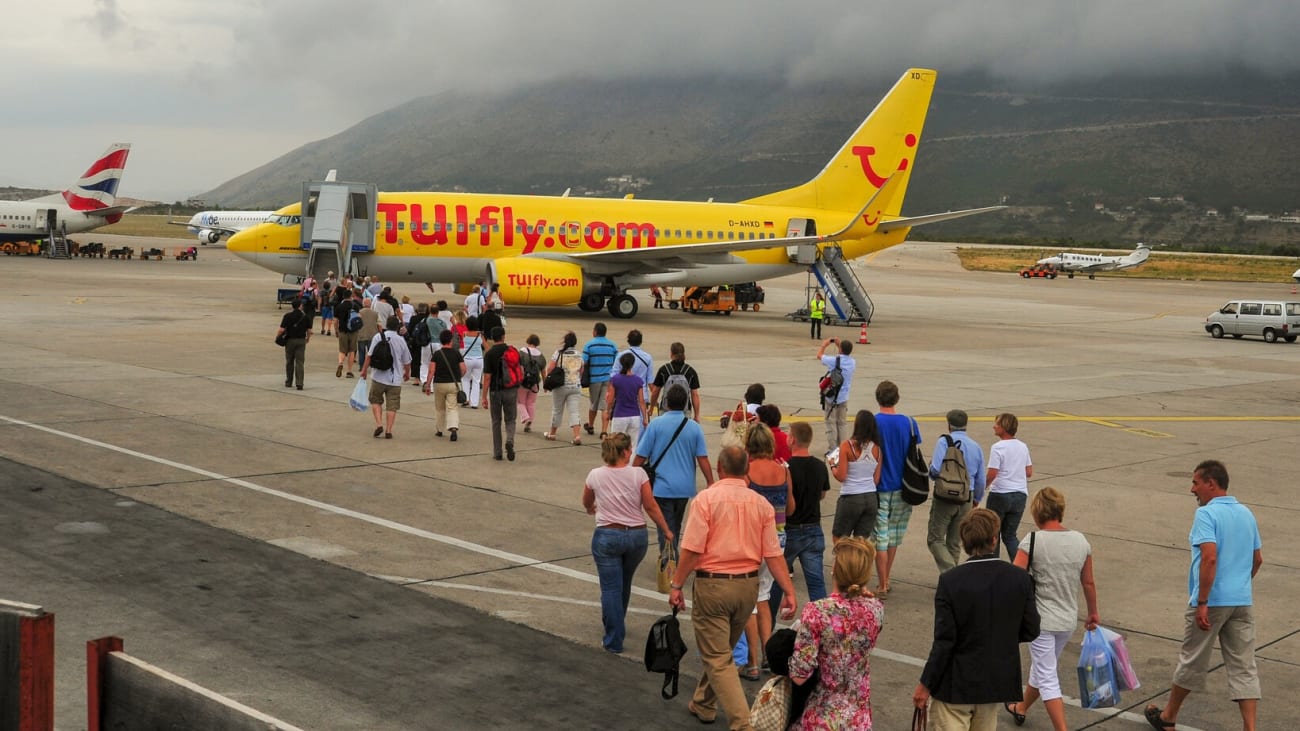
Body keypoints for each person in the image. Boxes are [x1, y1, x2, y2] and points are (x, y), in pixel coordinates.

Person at [668, 446, 798, 730]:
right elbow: (773, 553)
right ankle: (704, 702)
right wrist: (788, 590)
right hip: (748, 587)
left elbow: (691, 549)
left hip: (713, 584)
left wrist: (676, 584)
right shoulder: (761, 505)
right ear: (746, 471)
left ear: (719, 467)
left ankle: (742, 723)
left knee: (717, 657)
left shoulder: (706, 500)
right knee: (722, 651)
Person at [1145, 460, 1262, 731]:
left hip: (1213, 602)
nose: (1192, 489)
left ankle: (1169, 717)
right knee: (1244, 665)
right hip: (1241, 601)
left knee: (1193, 659)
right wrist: (1239, 585)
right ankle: (1250, 727)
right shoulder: (1246, 513)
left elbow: (1209, 558)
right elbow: (1257, 559)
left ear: (1211, 483)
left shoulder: (1207, 515)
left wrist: (1203, 602)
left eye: (1196, 482)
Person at [913, 509, 1040, 731]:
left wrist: (925, 684)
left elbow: (944, 642)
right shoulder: (1019, 579)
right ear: (994, 539)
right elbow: (1031, 629)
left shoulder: (950, 582)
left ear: (965, 541)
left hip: (955, 685)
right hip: (992, 684)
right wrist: (1001, 634)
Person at [1006, 488, 1100, 731]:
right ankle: (1021, 707)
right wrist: (1092, 612)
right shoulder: (1081, 540)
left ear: (1037, 513)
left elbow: (1015, 580)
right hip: (1067, 620)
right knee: (1043, 667)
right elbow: (1088, 582)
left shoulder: (1033, 540)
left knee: (1047, 676)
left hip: (1041, 621)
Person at [582, 432, 674, 654]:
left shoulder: (595, 475)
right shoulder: (638, 474)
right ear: (625, 452)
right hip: (636, 536)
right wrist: (666, 530)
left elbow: (587, 500)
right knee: (624, 582)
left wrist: (590, 508)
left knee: (610, 587)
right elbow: (650, 506)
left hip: (608, 534)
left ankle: (614, 636)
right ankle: (616, 621)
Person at [789, 536, 884, 729]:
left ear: (834, 568)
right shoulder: (876, 609)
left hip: (822, 716)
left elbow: (800, 674)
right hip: (859, 718)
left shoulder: (817, 611)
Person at [740, 423, 794, 682]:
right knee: (763, 597)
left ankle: (751, 660)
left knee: (750, 600)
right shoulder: (784, 471)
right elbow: (790, 507)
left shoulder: (747, 473)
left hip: (753, 541)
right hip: (778, 539)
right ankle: (768, 656)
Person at [633, 385, 712, 556]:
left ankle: (669, 562)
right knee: (675, 524)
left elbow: (641, 455)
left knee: (665, 527)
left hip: (662, 487)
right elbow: (703, 458)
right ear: (685, 404)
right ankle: (672, 556)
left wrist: (630, 474)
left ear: (666, 403)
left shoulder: (655, 425)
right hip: (684, 488)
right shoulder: (694, 427)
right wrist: (710, 482)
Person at [871, 380, 918, 599]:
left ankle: (881, 584)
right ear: (896, 398)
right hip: (904, 487)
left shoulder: (872, 423)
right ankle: (887, 578)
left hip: (879, 486)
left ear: (878, 398)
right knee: (894, 535)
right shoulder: (909, 423)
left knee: (880, 536)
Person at [927, 409, 987, 572]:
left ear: (949, 425)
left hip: (945, 498)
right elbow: (981, 478)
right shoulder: (976, 447)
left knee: (935, 539)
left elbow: (935, 469)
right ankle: (951, 583)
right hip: (967, 497)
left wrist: (931, 472)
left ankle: (952, 573)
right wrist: (976, 498)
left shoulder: (944, 442)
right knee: (954, 543)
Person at [782, 422, 831, 603]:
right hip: (813, 528)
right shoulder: (819, 466)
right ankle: (822, 624)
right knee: (817, 583)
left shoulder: (786, 468)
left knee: (776, 580)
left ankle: (766, 625)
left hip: (790, 529)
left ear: (792, 440)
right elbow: (822, 494)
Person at [985, 412, 1033, 559]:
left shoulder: (998, 447)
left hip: (1000, 494)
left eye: (997, 424)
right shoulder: (1023, 446)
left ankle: (993, 567)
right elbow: (1029, 472)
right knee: (1010, 536)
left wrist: (983, 487)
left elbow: (993, 473)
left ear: (1004, 427)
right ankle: (1021, 567)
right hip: (1020, 495)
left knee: (993, 535)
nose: (994, 427)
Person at [831, 409, 881, 543]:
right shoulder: (877, 448)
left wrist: (832, 466)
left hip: (851, 496)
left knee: (840, 539)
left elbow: (841, 476)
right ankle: (859, 564)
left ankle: (843, 564)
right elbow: (876, 480)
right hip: (871, 498)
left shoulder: (847, 446)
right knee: (861, 543)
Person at [360, 316, 412, 439]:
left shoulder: (378, 337)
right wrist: (407, 373)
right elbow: (407, 361)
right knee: (392, 406)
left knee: (375, 400)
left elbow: (369, 355)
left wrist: (364, 371)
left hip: (378, 376)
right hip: (395, 379)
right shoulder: (401, 340)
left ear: (386, 325)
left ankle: (379, 424)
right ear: (397, 327)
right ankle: (389, 430)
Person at [481, 326, 519, 461]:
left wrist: (484, 396)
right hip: (511, 389)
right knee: (511, 419)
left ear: (492, 337)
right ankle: (510, 440)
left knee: (496, 421)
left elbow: (487, 377)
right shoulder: (512, 351)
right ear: (503, 336)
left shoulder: (489, 354)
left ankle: (497, 452)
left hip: (495, 391)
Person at [816, 338, 856, 454]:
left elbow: (819, 356)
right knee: (842, 423)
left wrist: (824, 345)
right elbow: (843, 356)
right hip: (844, 397)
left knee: (831, 423)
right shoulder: (852, 362)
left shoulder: (834, 361)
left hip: (832, 397)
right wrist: (840, 345)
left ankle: (833, 449)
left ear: (841, 349)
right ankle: (843, 447)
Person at [425, 329, 466, 441]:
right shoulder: (456, 353)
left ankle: (439, 429)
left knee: (440, 408)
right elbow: (463, 369)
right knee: (452, 407)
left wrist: (428, 385)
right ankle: (453, 428)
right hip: (453, 383)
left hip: (439, 383)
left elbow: (431, 371)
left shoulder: (437, 354)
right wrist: (458, 377)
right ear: (451, 341)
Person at [545, 331, 585, 445]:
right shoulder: (578, 354)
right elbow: (581, 370)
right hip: (575, 385)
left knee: (557, 410)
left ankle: (552, 433)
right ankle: (577, 436)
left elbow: (550, 368)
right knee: (574, 411)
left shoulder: (558, 353)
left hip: (561, 385)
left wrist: (548, 382)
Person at [603, 353, 647, 448]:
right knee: (633, 445)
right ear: (632, 364)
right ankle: (631, 462)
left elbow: (610, 399)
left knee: (616, 443)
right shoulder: (638, 380)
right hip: (635, 415)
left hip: (619, 415)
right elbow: (642, 401)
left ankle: (617, 462)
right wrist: (645, 418)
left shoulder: (615, 379)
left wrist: (608, 411)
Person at [581, 322, 618, 436]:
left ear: (595, 332)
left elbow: (583, 362)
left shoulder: (589, 345)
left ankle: (591, 426)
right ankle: (604, 431)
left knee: (594, 403)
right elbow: (617, 362)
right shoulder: (612, 345)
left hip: (594, 379)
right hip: (608, 379)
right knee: (605, 405)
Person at [649, 342, 701, 420]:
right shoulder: (690, 371)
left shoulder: (664, 370)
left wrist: (651, 408)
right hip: (684, 411)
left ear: (671, 354)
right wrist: (697, 415)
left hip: (666, 410)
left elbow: (655, 391)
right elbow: (695, 395)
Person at [277, 299, 311, 390]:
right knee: (300, 362)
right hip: (301, 341)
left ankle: (289, 381)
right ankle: (299, 383)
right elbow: (309, 330)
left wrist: (278, 337)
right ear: (300, 306)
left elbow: (281, 329)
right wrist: (308, 339)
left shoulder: (287, 316)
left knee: (289, 361)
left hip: (290, 340)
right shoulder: (305, 317)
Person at [616, 329, 654, 405]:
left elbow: (614, 376)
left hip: (624, 394)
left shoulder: (621, 356)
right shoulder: (648, 357)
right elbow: (650, 381)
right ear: (641, 341)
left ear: (628, 341)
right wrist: (654, 399)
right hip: (642, 396)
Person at [517, 334, 544, 433]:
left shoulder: (522, 352)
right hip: (535, 382)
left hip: (523, 381)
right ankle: (530, 422)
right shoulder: (540, 355)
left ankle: (526, 417)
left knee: (520, 402)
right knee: (531, 403)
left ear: (528, 341)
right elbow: (543, 370)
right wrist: (545, 383)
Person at [335, 288, 363, 378]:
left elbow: (335, 321)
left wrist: (336, 331)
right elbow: (359, 317)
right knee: (351, 351)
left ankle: (340, 363)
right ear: (351, 296)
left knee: (342, 350)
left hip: (343, 331)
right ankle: (349, 371)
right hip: (353, 331)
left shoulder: (339, 306)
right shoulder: (355, 306)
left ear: (343, 296)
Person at [459, 315, 485, 409]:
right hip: (478, 359)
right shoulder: (480, 334)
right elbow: (485, 346)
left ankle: (465, 400)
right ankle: (474, 403)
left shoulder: (464, 334)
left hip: (467, 359)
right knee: (476, 381)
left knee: (465, 379)